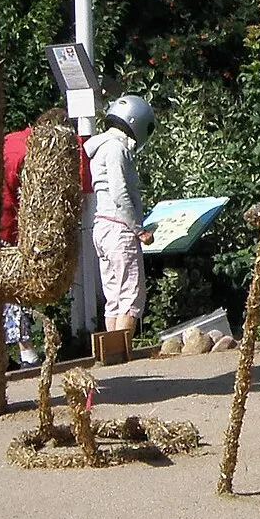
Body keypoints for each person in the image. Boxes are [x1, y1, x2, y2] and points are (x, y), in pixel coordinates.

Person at [0, 114, 91, 366]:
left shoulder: (10, 141)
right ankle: (26, 351)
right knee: (15, 291)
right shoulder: (52, 151)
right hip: (17, 228)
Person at [84, 94, 156, 343]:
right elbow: (120, 192)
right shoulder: (117, 148)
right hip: (119, 229)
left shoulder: (100, 147)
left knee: (114, 296)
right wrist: (139, 230)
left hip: (102, 226)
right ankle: (121, 352)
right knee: (131, 297)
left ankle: (111, 354)